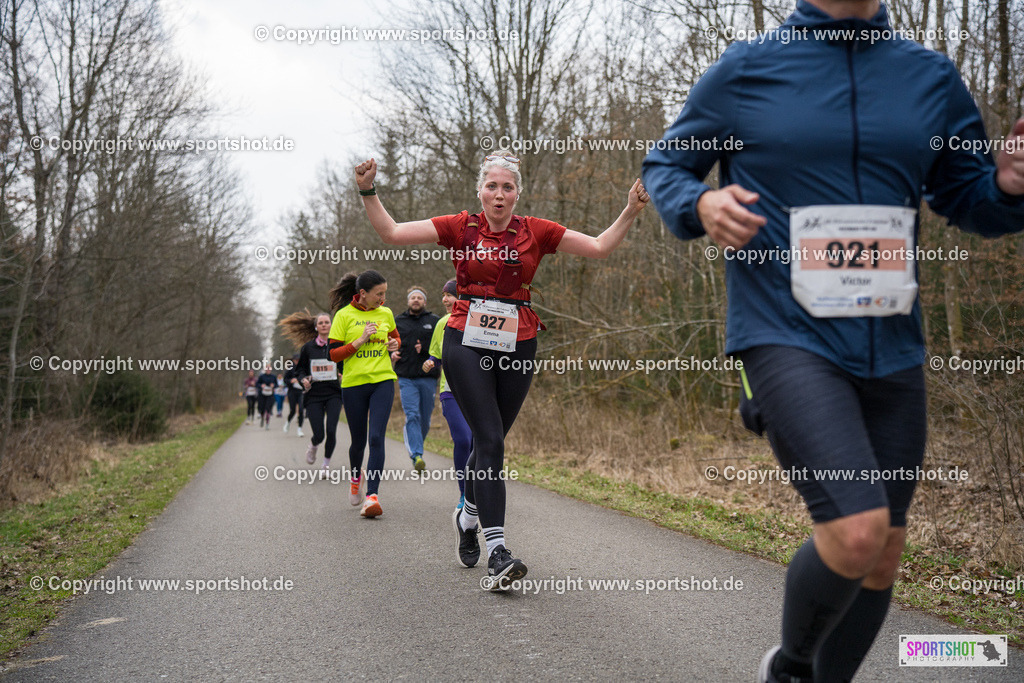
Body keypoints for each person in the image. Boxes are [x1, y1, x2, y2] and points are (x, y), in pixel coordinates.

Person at [641, 1, 1024, 680]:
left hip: (893, 345)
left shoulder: (929, 77)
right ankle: (788, 669)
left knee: (882, 551)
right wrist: (698, 204)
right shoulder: (746, 70)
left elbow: (968, 198)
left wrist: (1009, 186)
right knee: (856, 528)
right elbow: (665, 166)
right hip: (782, 332)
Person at [354, 151, 649, 588]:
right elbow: (393, 232)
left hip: (518, 340)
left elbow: (600, 247)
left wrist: (630, 209)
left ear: (516, 194)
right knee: (487, 438)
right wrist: (367, 190)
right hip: (466, 339)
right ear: (480, 191)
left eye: (507, 187)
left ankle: (467, 516)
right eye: (491, 185)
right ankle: (498, 551)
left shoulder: (538, 231)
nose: (498, 193)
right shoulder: (460, 227)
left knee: (491, 445)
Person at [328, 270, 401, 518]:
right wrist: (360, 340)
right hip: (353, 384)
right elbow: (334, 354)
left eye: (385, 293)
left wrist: (394, 345)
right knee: (358, 441)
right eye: (378, 294)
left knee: (377, 438)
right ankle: (355, 479)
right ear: (362, 294)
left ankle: (372, 496)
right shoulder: (343, 316)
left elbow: (395, 338)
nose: (383, 298)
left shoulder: (386, 313)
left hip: (382, 380)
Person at [422, 279, 472, 515]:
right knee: (462, 440)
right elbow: (437, 355)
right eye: (443, 295)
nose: (445, 299)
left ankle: (477, 491)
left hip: (476, 392)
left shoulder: (478, 321)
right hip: (450, 391)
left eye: (450, 295)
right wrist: (431, 362)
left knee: (477, 443)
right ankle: (464, 494)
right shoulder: (442, 323)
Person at [280, 312, 344, 478]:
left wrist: (343, 374)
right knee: (320, 434)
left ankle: (325, 465)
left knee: (331, 430)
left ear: (331, 325)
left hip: (333, 394)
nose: (324, 325)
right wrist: (303, 380)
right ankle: (314, 445)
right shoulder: (308, 348)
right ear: (316, 327)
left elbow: (345, 365)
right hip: (314, 395)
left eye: (326, 322)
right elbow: (299, 370)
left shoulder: (337, 345)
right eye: (320, 323)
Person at [393, 285, 441, 471]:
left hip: (428, 377)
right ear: (408, 301)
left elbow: (439, 347)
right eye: (413, 297)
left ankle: (416, 445)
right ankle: (417, 455)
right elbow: (390, 344)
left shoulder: (434, 321)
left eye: (419, 298)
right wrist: (393, 354)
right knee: (412, 414)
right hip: (406, 376)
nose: (416, 300)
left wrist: (426, 350)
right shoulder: (398, 321)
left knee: (425, 419)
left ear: (425, 302)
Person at [282, 353, 305, 437]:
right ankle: (288, 422)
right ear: (293, 360)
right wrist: (291, 381)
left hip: (301, 392)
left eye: (299, 360)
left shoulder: (303, 368)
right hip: (292, 392)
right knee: (293, 411)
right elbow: (285, 380)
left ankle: (299, 429)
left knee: (301, 410)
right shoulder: (290, 368)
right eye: (296, 360)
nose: (297, 361)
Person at [256, 364, 277, 430]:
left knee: (268, 409)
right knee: (262, 409)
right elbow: (257, 384)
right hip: (262, 395)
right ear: (265, 369)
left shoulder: (273, 377)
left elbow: (277, 385)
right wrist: (261, 385)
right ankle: (262, 418)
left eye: (269, 368)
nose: (268, 370)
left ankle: (267, 424)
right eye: (267, 368)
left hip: (270, 395)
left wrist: (273, 385)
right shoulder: (261, 376)